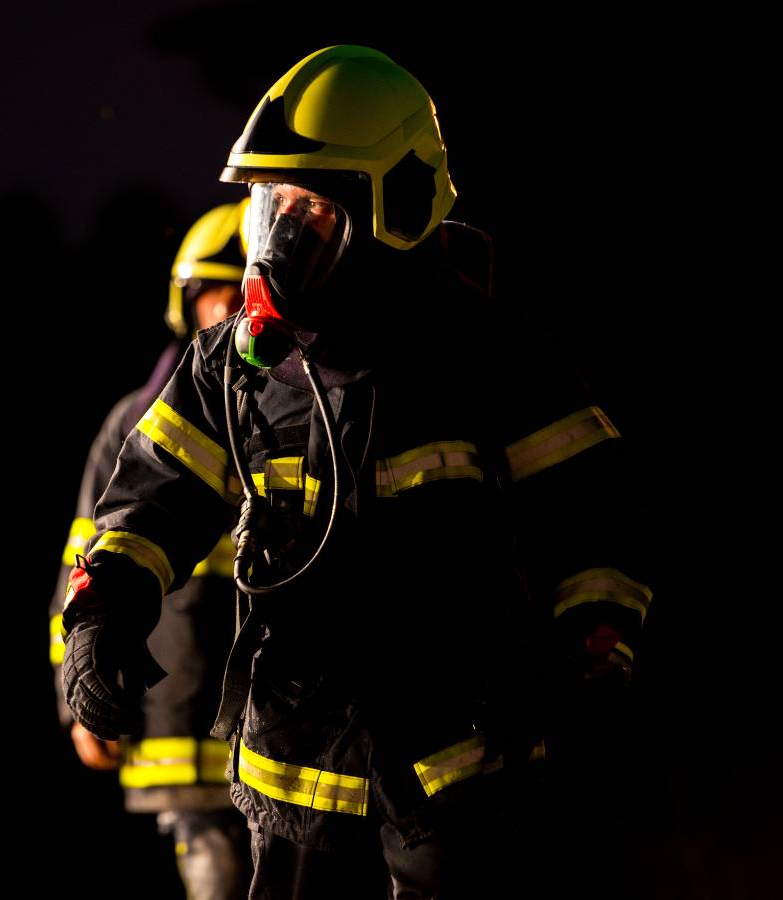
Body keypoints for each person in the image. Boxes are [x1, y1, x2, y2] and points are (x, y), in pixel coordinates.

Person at [59, 45, 653, 898]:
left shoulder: (492, 358)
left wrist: (597, 655)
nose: (280, 240)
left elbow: (596, 515)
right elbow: (147, 502)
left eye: (314, 209)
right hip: (293, 789)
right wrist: (99, 620)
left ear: (397, 209)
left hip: (464, 782)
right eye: (271, 206)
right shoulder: (231, 367)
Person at [50, 201, 251, 899]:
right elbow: (85, 564)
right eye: (212, 293)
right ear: (185, 300)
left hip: (285, 722)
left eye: (241, 288)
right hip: (174, 717)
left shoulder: (300, 405)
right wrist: (74, 697)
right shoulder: (136, 422)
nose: (225, 309)